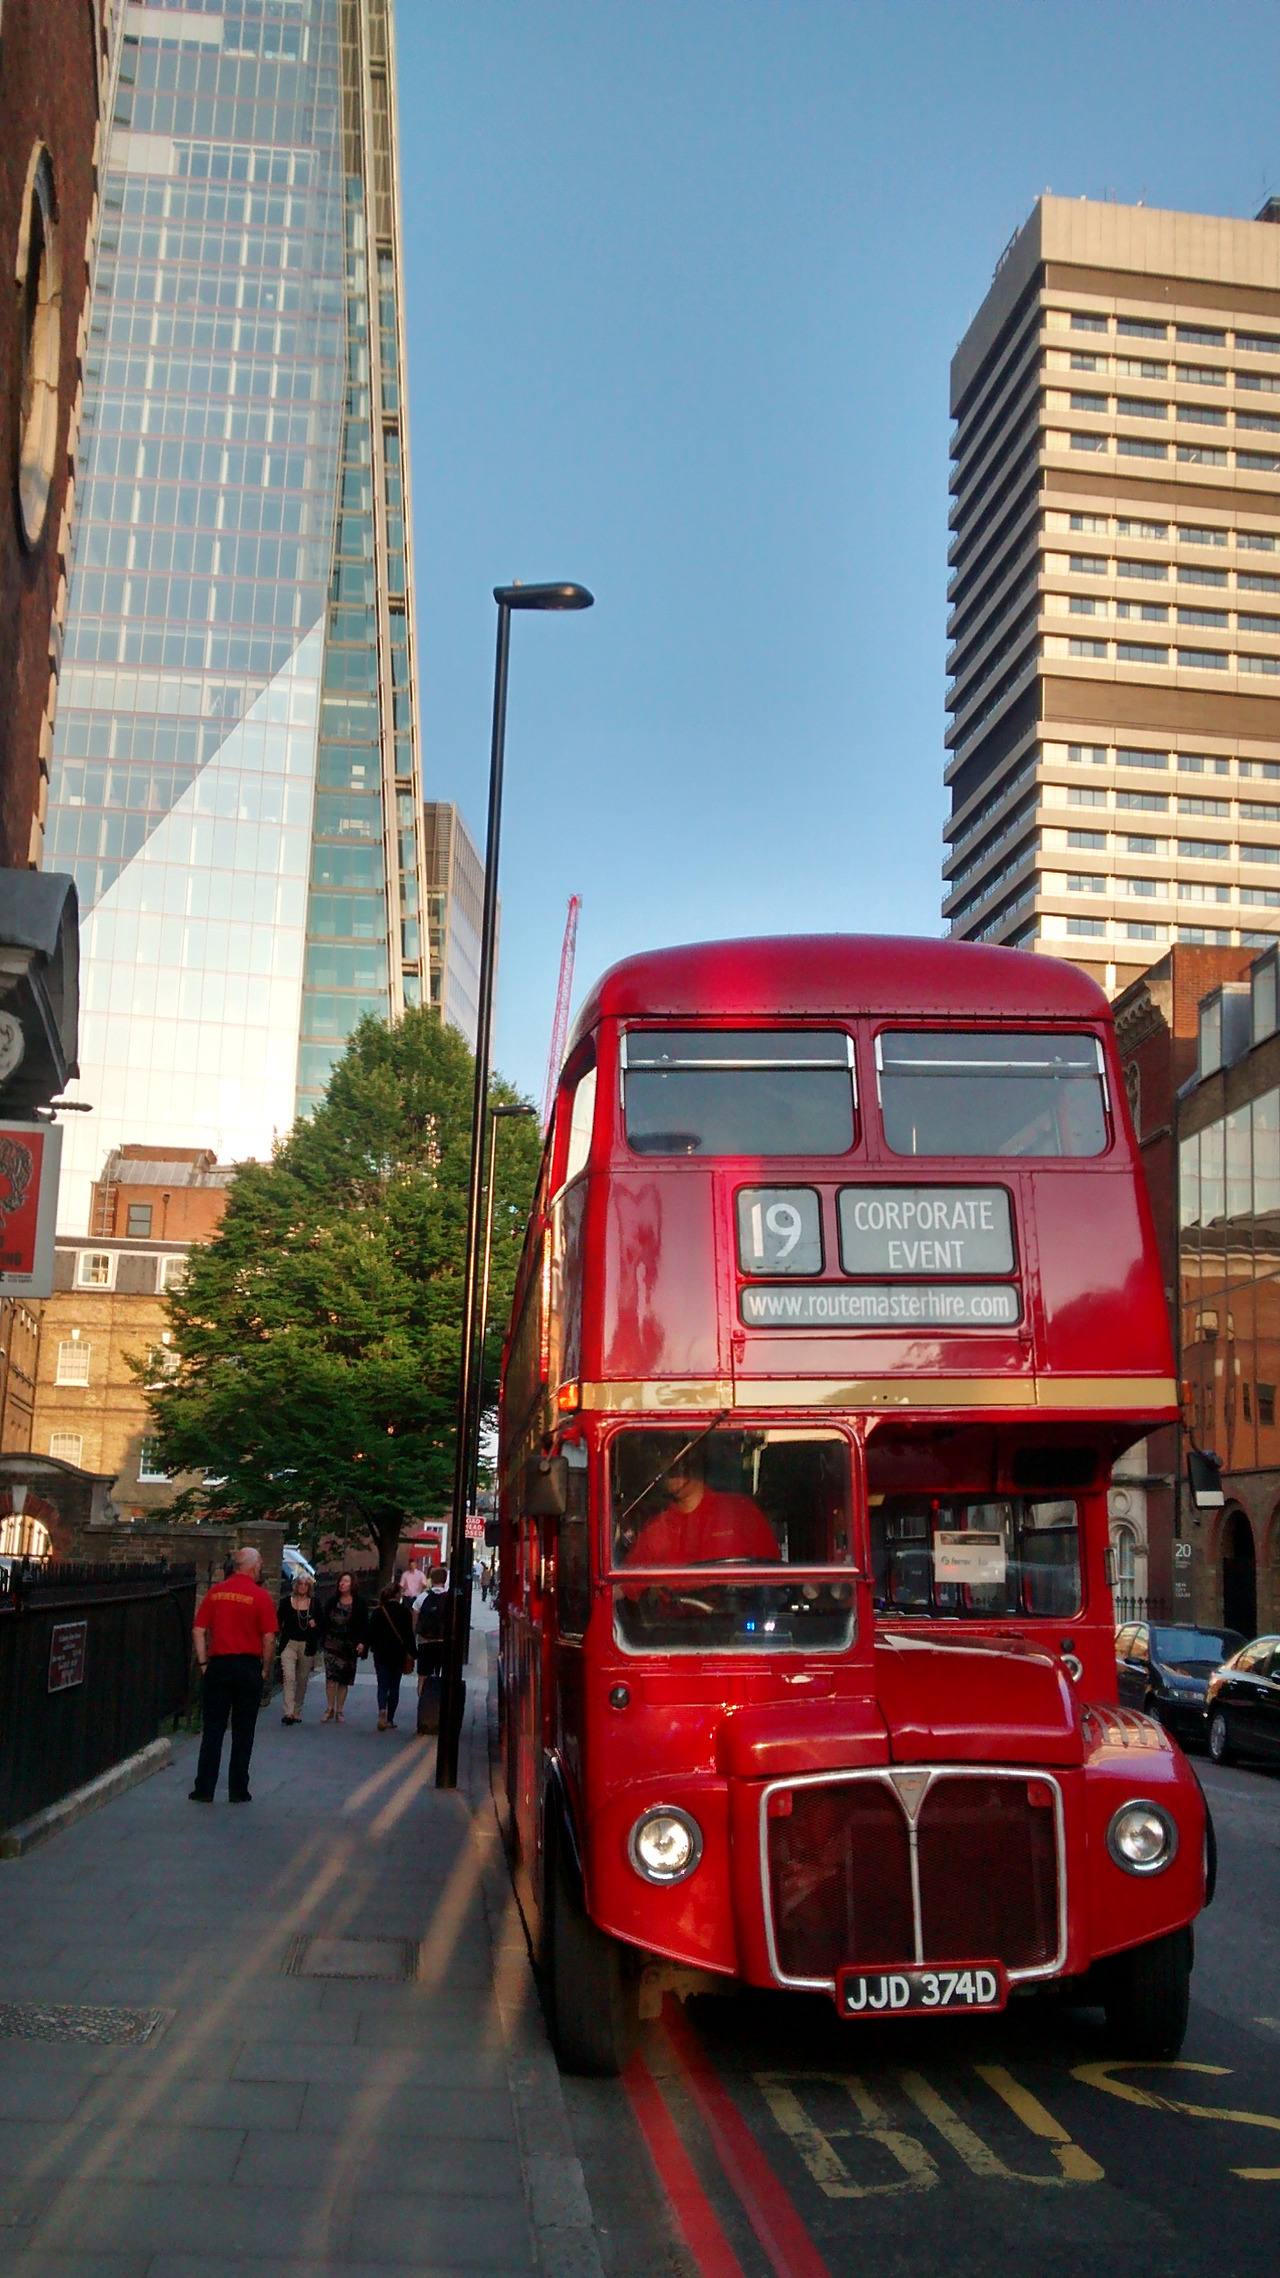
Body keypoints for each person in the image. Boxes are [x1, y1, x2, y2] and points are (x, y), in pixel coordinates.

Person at [189, 1547, 279, 1803]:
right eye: (259, 1563)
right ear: (251, 1566)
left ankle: (204, 1788)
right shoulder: (260, 1596)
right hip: (248, 1667)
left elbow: (198, 1630)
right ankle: (238, 1789)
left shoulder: (216, 1592)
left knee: (213, 1729)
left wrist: (203, 1663)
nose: (261, 1567)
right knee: (244, 1731)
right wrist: (264, 1669)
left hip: (218, 1666)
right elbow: (269, 1638)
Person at [622, 1444, 781, 1567]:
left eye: (680, 1461)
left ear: (696, 1462)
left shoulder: (740, 1511)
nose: (675, 1471)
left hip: (740, 1600)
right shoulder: (657, 1530)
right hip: (677, 1602)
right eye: (664, 1466)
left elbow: (771, 1572)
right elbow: (625, 1586)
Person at [316, 1572, 369, 1723]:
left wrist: (362, 1642)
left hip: (349, 1645)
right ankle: (330, 1708)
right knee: (331, 1677)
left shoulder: (359, 1603)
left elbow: (364, 1625)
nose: (342, 1584)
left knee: (344, 1680)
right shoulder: (332, 1601)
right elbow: (324, 1621)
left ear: (352, 1584)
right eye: (341, 1581)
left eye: (346, 1581)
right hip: (332, 1643)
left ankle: (339, 1710)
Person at [369, 1583, 415, 1731]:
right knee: (394, 1686)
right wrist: (413, 1652)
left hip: (381, 1653)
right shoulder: (404, 1612)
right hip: (398, 1653)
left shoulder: (378, 1612)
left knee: (382, 1684)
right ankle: (390, 1719)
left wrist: (366, 1648)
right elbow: (408, 1635)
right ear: (397, 1595)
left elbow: (371, 1632)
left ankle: (382, 1708)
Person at [276, 1571, 320, 1724]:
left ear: (309, 1587)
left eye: (306, 1584)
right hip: (289, 1643)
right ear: (295, 1585)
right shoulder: (286, 1602)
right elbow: (278, 1622)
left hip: (307, 1644)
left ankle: (296, 1710)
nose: (303, 1587)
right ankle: (288, 1712)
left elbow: (322, 1624)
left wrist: (315, 1625)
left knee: (302, 1679)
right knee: (289, 1676)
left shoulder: (314, 1603)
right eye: (300, 1584)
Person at [414, 1565, 449, 1698]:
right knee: (444, 1674)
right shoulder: (449, 1598)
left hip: (425, 1642)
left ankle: (422, 1701)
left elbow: (415, 1619)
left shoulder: (422, 1597)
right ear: (444, 1580)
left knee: (423, 1676)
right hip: (443, 1642)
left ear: (431, 1579)